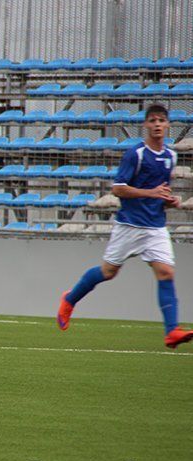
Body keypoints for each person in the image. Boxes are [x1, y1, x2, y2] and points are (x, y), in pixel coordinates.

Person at [57, 104, 192, 348]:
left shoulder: (171, 156)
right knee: (108, 272)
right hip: (129, 225)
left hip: (155, 227)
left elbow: (160, 192)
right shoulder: (135, 154)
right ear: (145, 125)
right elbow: (118, 189)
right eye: (152, 120)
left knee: (166, 273)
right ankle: (70, 299)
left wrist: (168, 201)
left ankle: (171, 331)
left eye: (162, 120)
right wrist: (151, 193)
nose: (157, 124)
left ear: (169, 124)